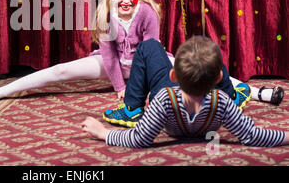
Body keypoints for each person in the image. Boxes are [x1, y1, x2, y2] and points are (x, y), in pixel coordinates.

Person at [0, 0, 282, 107]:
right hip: (111, 66)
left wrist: (141, 85)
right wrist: (119, 85)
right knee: (61, 70)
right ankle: (0, 92)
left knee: (197, 70)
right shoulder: (107, 12)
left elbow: (150, 50)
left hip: (149, 63)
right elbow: (107, 54)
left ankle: (257, 93)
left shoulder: (146, 12)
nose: (126, 0)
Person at [82, 36, 288, 148]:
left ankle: (132, 108)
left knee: (150, 46)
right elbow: (253, 136)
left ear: (174, 75)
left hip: (169, 101)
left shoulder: (162, 100)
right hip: (218, 105)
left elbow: (138, 139)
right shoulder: (222, 101)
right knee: (211, 55)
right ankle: (236, 94)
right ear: (217, 79)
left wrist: (104, 133)